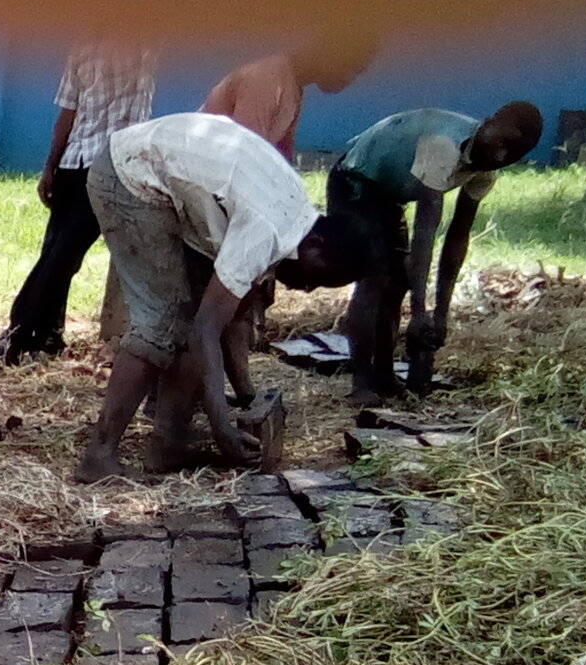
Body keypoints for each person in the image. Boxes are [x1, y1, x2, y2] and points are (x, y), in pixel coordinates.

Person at [75, 113, 375, 482]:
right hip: (130, 175)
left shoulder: (295, 213)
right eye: (319, 279)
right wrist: (222, 426)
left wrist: (250, 399)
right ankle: (99, 456)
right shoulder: (267, 230)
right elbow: (206, 331)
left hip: (164, 175)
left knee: (194, 308)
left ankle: (170, 441)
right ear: (315, 245)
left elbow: (231, 317)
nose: (308, 290)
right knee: (164, 321)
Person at [328, 102, 543, 402]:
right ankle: (362, 382)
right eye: (501, 143)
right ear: (487, 122)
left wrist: (441, 314)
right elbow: (426, 230)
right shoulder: (443, 144)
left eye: (512, 155)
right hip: (355, 181)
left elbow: (457, 237)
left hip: (390, 196)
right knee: (374, 278)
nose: (499, 156)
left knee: (398, 282)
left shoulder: (484, 172)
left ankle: (386, 376)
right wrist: (419, 313)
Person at [0, 40, 159, 364]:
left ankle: (46, 334)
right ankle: (22, 332)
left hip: (74, 160)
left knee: (56, 252)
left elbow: (67, 114)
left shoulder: (82, 47)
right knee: (61, 258)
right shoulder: (144, 46)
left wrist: (50, 166)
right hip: (111, 163)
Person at [201, 35, 379, 160]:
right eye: (350, 69)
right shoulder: (266, 78)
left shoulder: (294, 88)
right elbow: (245, 153)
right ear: (332, 55)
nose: (348, 80)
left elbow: (282, 158)